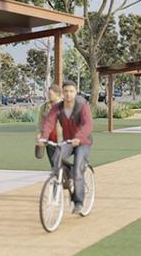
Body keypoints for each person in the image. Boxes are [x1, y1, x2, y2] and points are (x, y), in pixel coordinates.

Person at [40, 80, 94, 214]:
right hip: (68, 141)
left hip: (83, 142)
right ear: (62, 93)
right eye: (66, 91)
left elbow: (88, 125)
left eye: (71, 91)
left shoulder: (82, 106)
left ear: (75, 92)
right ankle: (65, 178)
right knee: (56, 157)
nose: (69, 94)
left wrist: (79, 137)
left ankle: (78, 202)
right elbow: (49, 122)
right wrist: (44, 137)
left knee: (77, 170)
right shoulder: (57, 108)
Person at [36, 84, 63, 164]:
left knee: (59, 162)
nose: (48, 96)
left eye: (50, 94)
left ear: (57, 94)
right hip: (49, 140)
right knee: (53, 163)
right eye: (48, 94)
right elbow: (40, 122)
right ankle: (59, 175)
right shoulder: (44, 107)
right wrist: (39, 134)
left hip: (61, 139)